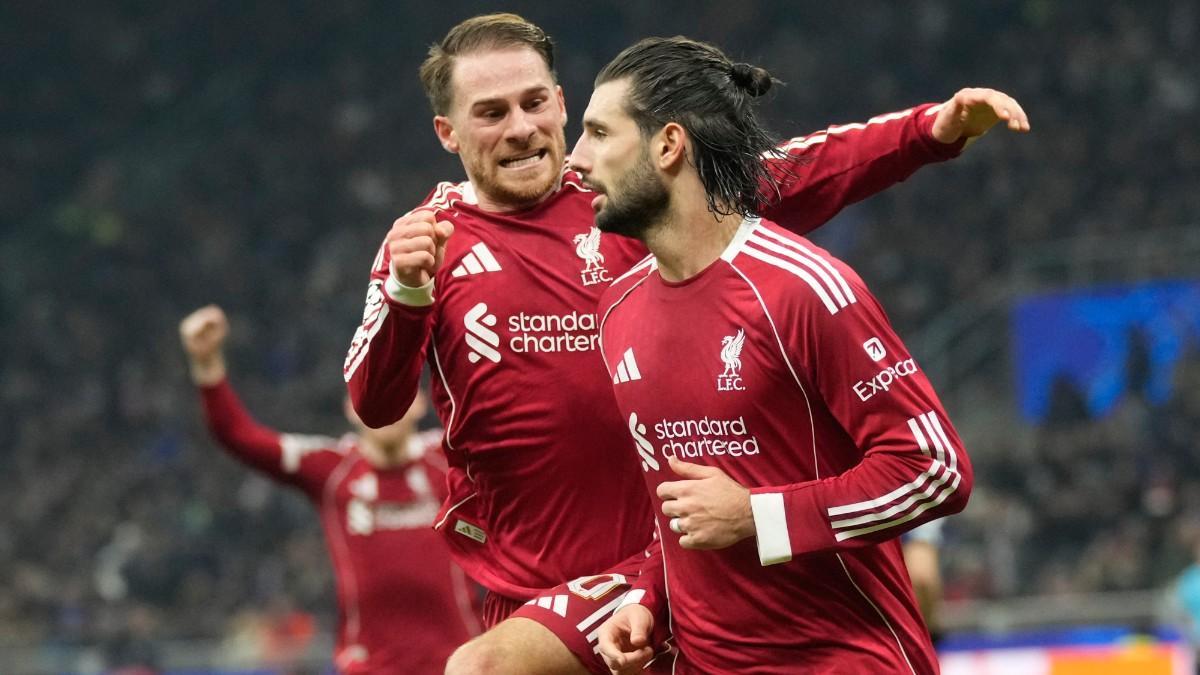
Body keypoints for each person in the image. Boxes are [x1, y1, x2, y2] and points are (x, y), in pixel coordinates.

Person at [343, 13, 1025, 674]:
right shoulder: (424, 243)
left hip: (669, 566)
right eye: (492, 113)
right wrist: (407, 292)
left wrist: (927, 132)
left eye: (534, 103)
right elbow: (374, 404)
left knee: (483, 669)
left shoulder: (628, 195)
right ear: (447, 132)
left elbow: (786, 171)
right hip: (540, 589)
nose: (522, 128)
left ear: (560, 101)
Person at [579, 37, 998, 674]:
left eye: (598, 134)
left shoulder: (802, 287)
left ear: (668, 145)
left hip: (844, 660)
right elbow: (678, 514)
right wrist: (648, 599)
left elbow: (935, 470)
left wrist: (758, 515)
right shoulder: (617, 313)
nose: (576, 160)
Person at [180, 305, 481, 674]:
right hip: (368, 665)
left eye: (399, 393)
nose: (389, 409)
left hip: (460, 661)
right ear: (352, 409)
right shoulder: (332, 469)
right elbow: (240, 437)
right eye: (376, 395)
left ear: (419, 403)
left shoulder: (450, 455)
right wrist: (207, 365)